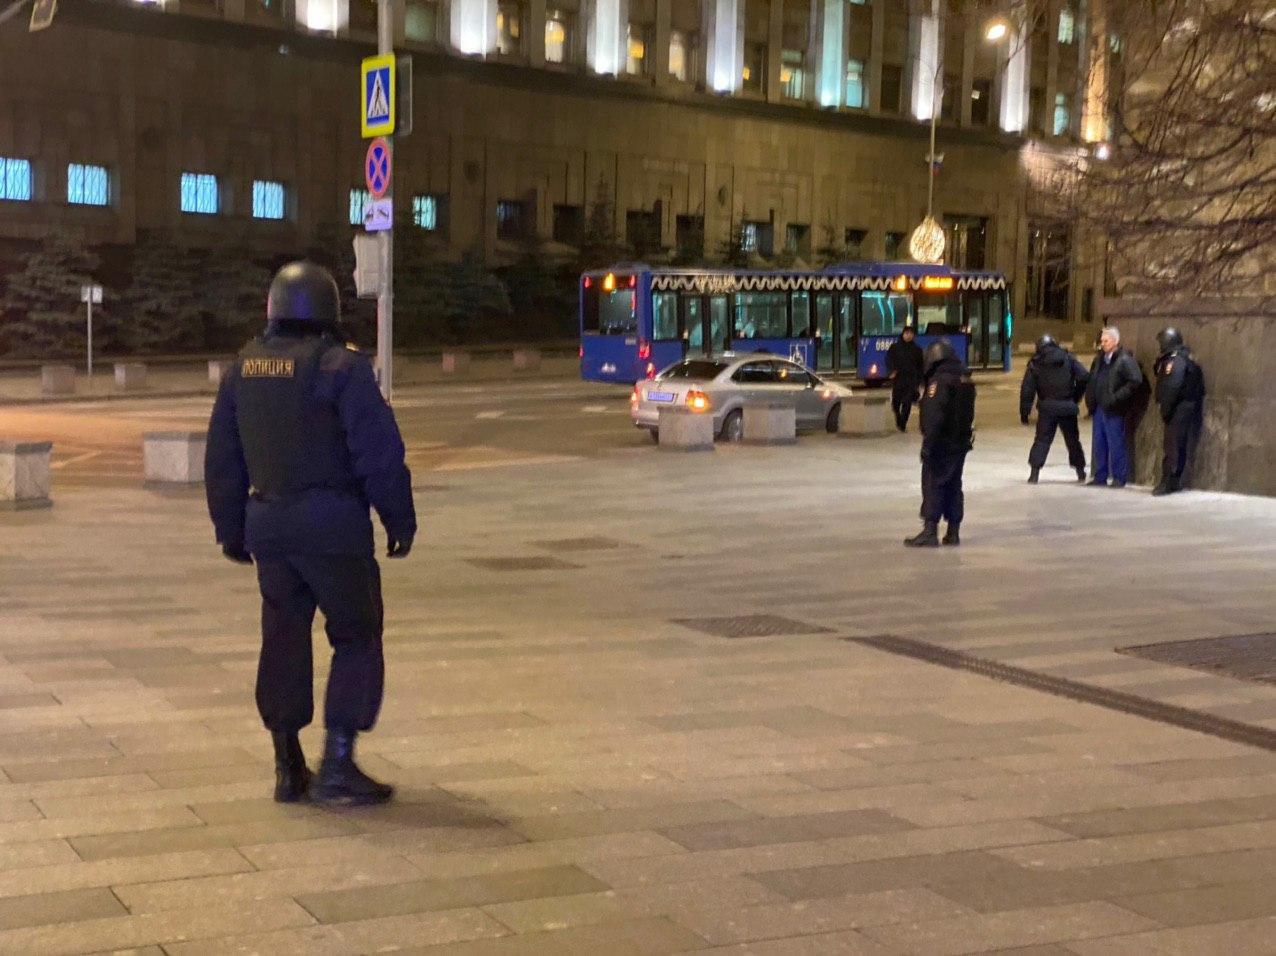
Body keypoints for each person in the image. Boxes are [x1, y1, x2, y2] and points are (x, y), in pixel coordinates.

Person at [204, 261, 417, 807]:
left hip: (269, 530)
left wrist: (232, 530)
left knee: (282, 639)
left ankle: (287, 765)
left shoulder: (242, 371)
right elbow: (380, 454)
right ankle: (338, 763)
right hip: (334, 531)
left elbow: (223, 461)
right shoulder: (339, 369)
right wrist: (399, 519)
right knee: (355, 635)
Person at [904, 340, 976, 548]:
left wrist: (928, 445)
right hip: (960, 442)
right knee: (954, 485)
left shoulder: (939, 382)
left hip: (941, 443)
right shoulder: (964, 379)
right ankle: (953, 531)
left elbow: (935, 416)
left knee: (933, 484)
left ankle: (930, 530)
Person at [1019, 334, 1089, 484]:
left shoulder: (1035, 363)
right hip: (1067, 406)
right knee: (1072, 440)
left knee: (1042, 440)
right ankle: (1080, 470)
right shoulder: (1068, 358)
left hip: (1047, 407)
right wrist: (1075, 398)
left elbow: (1027, 390)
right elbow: (1083, 376)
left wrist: (1024, 413)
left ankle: (1034, 473)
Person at [1084, 326, 1142, 488]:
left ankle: (1119, 477)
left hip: (1114, 409)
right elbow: (1092, 380)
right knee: (1099, 443)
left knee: (1115, 443)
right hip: (1099, 408)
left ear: (1115, 341)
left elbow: (1135, 381)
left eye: (1106, 341)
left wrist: (1117, 397)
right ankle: (1100, 475)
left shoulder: (1124, 360)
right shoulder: (1099, 360)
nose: (1102, 344)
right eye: (1101, 341)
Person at [1153, 326, 1205, 496]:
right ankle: (1173, 481)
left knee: (1172, 447)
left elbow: (1172, 387)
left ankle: (1168, 482)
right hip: (1182, 408)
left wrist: (1166, 409)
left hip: (1178, 409)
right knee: (1176, 446)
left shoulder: (1175, 361)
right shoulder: (1179, 358)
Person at [886, 325, 925, 432]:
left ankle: (903, 424)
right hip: (898, 379)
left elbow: (920, 366)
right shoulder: (895, 348)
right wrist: (892, 371)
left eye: (911, 334)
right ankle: (898, 419)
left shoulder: (917, 350)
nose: (908, 336)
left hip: (911, 380)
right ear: (903, 334)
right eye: (907, 333)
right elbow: (888, 360)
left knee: (907, 403)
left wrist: (920, 382)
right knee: (896, 403)